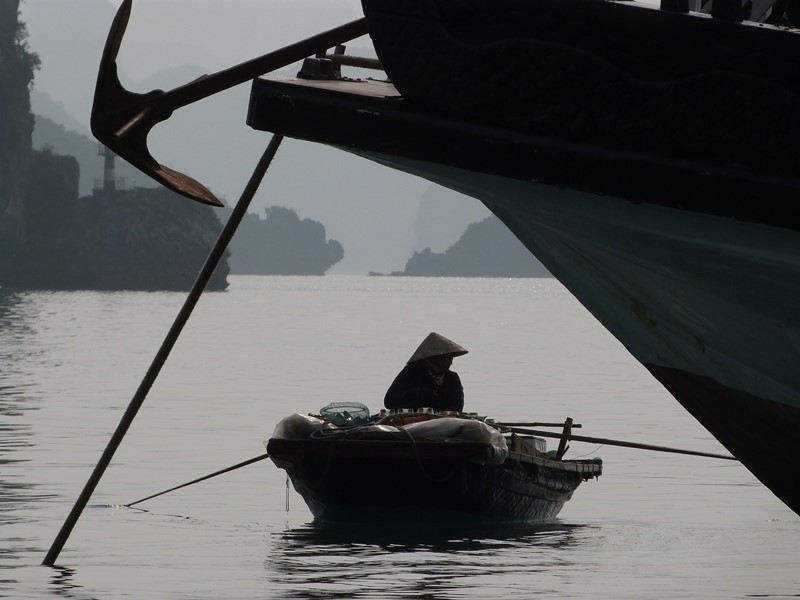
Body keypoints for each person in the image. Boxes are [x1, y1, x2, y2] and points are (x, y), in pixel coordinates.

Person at [384, 332, 468, 412]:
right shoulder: (412, 372)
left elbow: (457, 406)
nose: (451, 362)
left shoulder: (452, 378)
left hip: (443, 423)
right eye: (448, 358)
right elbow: (389, 401)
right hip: (413, 422)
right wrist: (420, 393)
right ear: (437, 357)